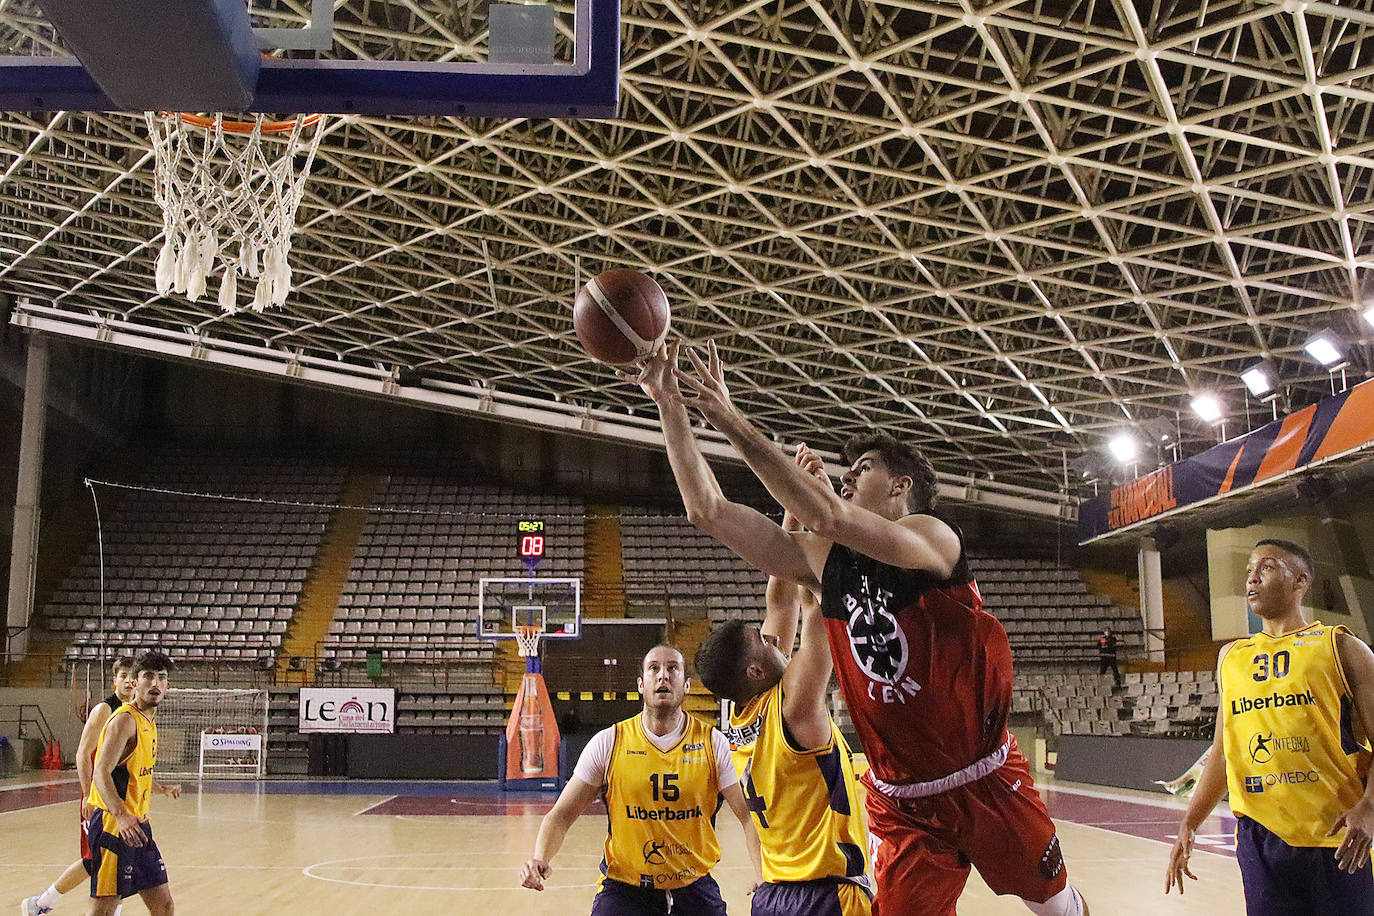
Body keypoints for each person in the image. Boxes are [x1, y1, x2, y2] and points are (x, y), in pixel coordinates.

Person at [623, 341, 1087, 916]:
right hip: (904, 800)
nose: (846, 479)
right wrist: (669, 404)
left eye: (861, 469)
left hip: (982, 775)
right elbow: (709, 512)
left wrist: (725, 414)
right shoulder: (826, 567)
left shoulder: (934, 537)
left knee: (1056, 908)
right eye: (843, 473)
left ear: (900, 487)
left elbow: (827, 515)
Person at [1165, 538, 1374, 913]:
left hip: (1334, 836)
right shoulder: (1232, 658)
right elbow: (1224, 753)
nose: (1252, 578)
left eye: (1267, 567)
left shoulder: (1342, 648)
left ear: (1301, 582)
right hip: (1259, 840)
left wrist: (1370, 807)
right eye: (1249, 570)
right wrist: (1190, 821)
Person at [695, 503, 873, 916]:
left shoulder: (742, 719)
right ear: (756, 670)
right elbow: (821, 608)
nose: (775, 639)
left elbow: (780, 602)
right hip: (827, 895)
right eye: (764, 640)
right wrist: (819, 511)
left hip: (773, 894)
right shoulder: (794, 705)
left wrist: (790, 520)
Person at [519, 644, 762, 914]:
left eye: (673, 669)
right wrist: (540, 856)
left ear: (687, 685)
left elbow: (749, 816)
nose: (663, 676)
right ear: (641, 685)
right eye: (654, 669)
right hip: (624, 890)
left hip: (694, 886)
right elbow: (561, 815)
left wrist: (764, 873)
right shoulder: (609, 742)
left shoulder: (713, 743)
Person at [21, 657, 137, 916]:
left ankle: (41, 904)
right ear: (114, 680)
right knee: (95, 859)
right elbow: (83, 755)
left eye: (133, 675)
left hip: (122, 800)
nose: (129, 680)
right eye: (124, 675)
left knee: (115, 860)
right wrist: (87, 795)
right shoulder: (104, 710)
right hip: (99, 798)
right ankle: (40, 904)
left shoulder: (135, 713)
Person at [86, 650, 181, 916]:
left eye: (161, 678)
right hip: (114, 825)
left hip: (139, 825)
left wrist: (161, 788)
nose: (155, 684)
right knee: (104, 908)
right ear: (135, 683)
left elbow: (135, 772)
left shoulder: (149, 719)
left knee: (164, 906)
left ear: (167, 686)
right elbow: (100, 772)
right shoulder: (124, 720)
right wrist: (121, 815)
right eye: (148, 677)